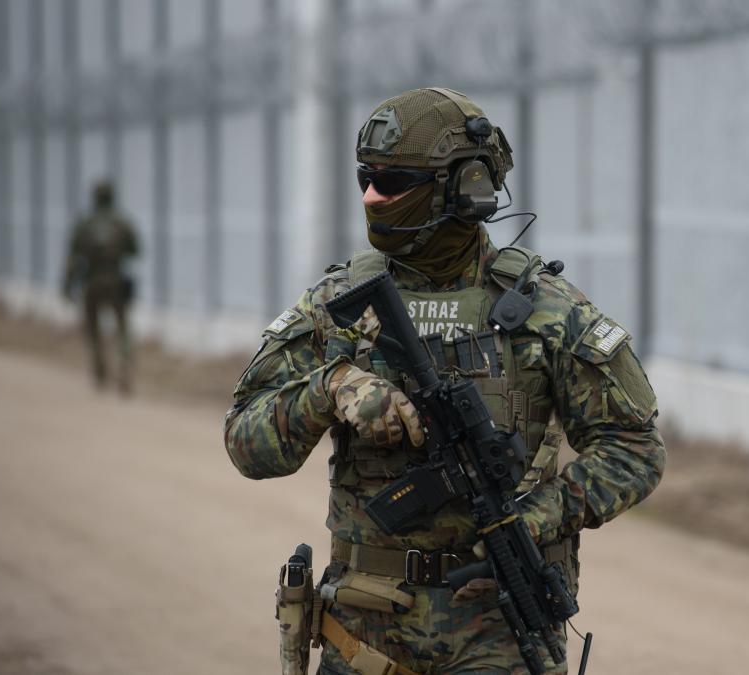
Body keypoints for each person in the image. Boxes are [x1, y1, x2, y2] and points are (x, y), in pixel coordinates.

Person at [223, 88, 665, 675]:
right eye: (365, 179)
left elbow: (636, 448)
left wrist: (534, 519)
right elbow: (245, 444)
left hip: (499, 636)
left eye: (392, 181)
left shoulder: (544, 311)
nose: (371, 197)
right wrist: (329, 389)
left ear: (465, 186)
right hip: (363, 634)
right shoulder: (339, 304)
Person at [62, 180, 140, 394]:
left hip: (92, 281)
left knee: (93, 328)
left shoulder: (85, 224)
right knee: (122, 329)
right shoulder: (121, 223)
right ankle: (124, 369)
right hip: (116, 280)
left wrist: (67, 286)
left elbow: (73, 258)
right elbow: (135, 250)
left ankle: (100, 371)